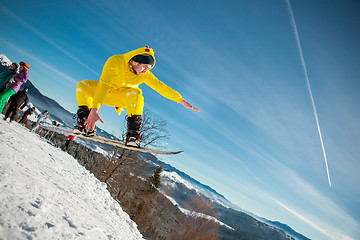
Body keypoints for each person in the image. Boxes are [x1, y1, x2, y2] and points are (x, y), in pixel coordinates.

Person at [74, 46, 199, 147]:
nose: (145, 71)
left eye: (148, 68)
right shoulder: (115, 62)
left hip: (123, 98)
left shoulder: (144, 75)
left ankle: (133, 135)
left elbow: (161, 87)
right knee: (83, 85)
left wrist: (181, 100)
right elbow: (103, 84)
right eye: (145, 67)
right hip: (105, 93)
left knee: (136, 93)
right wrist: (95, 109)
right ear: (135, 61)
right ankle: (85, 125)